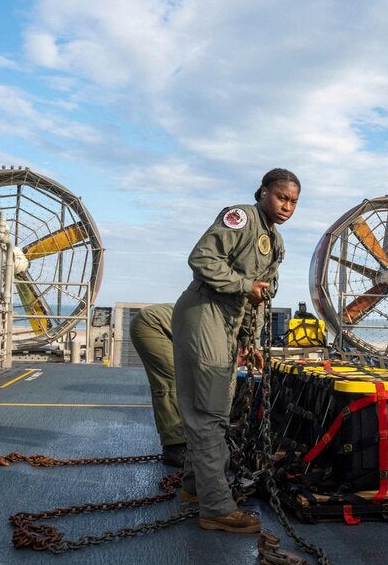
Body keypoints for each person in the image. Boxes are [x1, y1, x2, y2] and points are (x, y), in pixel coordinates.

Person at [172, 168, 300, 534]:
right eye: (281, 197)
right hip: (204, 312)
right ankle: (215, 507)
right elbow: (201, 259)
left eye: (293, 202)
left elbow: (257, 298)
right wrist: (244, 284)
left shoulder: (275, 242)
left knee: (218, 409)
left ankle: (195, 488)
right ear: (263, 193)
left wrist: (249, 341)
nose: (287, 206)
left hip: (228, 322)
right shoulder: (241, 218)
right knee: (208, 413)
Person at [129, 303, 187, 467]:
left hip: (161, 325)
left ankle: (182, 438)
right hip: (151, 325)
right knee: (171, 383)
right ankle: (174, 447)